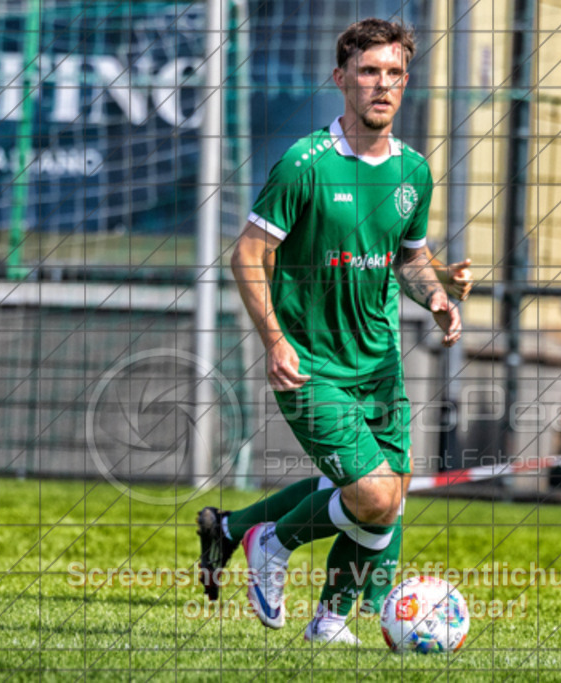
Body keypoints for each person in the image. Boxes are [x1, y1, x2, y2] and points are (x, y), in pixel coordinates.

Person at [197, 18, 466, 645]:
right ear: (340, 78)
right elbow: (247, 254)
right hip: (310, 361)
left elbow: (409, 259)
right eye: (369, 72)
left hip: (379, 364)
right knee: (372, 497)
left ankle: (325, 619)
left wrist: (437, 299)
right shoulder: (304, 165)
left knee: (386, 500)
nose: (382, 85)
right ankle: (273, 539)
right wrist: (274, 340)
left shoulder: (413, 173)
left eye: (394, 73)